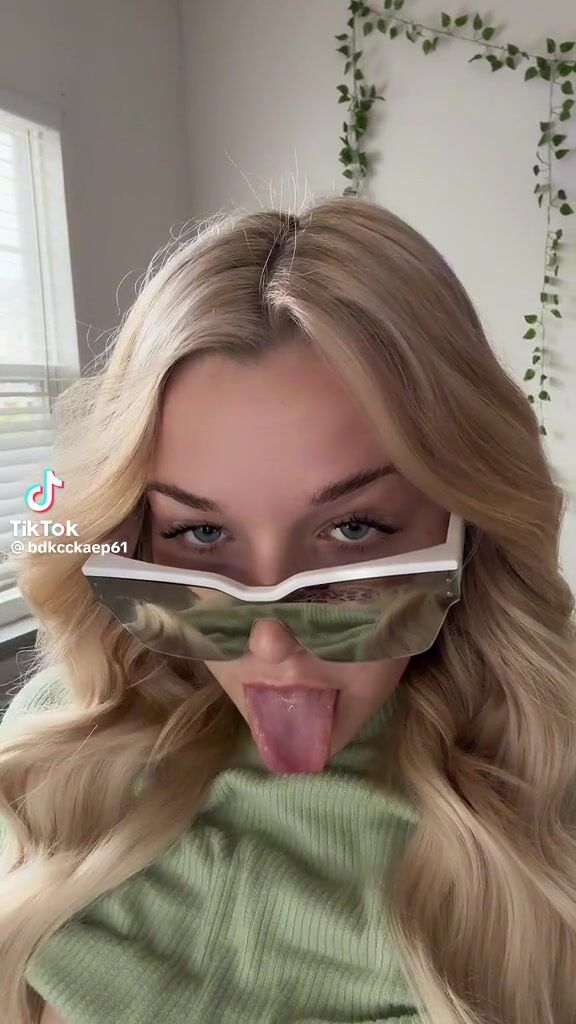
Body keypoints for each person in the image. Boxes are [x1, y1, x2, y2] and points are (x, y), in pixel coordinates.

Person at [0, 196, 575, 1024]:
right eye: (202, 533)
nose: (271, 643)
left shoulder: (552, 772)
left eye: (354, 529)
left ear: (466, 524)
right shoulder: (59, 743)